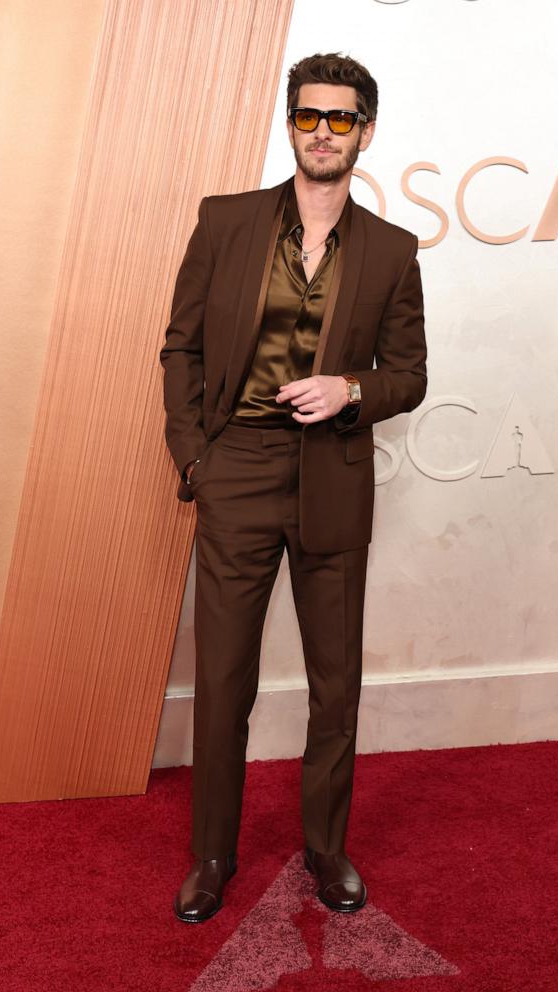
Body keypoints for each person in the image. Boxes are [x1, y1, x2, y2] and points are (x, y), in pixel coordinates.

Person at [159, 52, 427, 924]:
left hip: (332, 480)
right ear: (289, 124)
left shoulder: (390, 249)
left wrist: (351, 390)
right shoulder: (226, 222)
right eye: (309, 116)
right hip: (234, 470)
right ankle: (211, 854)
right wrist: (195, 453)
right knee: (223, 679)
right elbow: (182, 347)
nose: (323, 131)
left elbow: (410, 376)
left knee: (333, 684)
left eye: (340, 119)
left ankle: (326, 849)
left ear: (365, 133)